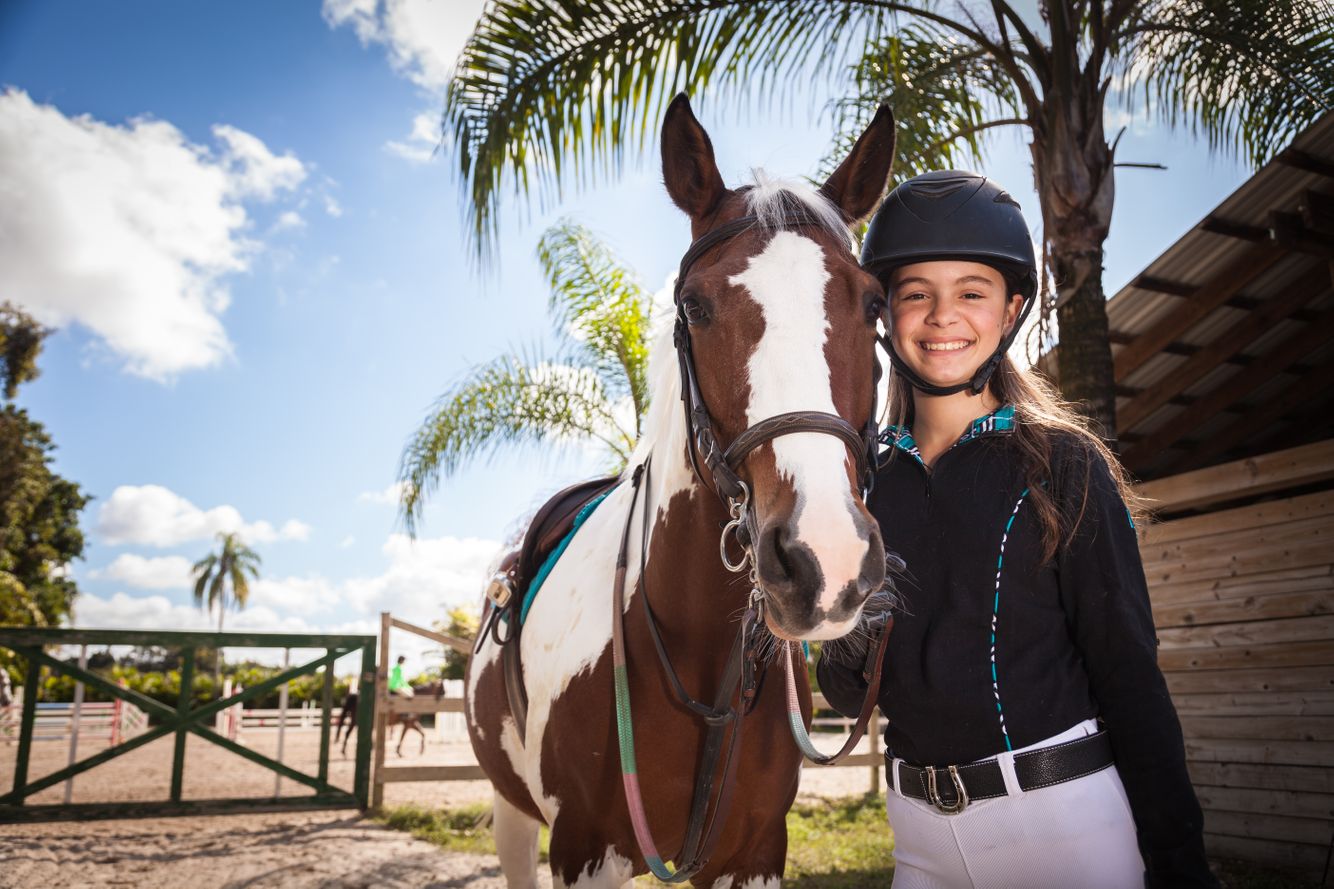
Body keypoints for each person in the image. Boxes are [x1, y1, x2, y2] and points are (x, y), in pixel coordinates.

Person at [817, 170, 1217, 889]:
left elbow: (1130, 678)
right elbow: (849, 693)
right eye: (916, 294)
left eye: (972, 292)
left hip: (1061, 824)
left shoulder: (1065, 466)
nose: (943, 317)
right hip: (919, 841)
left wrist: (1182, 862)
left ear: (1011, 311)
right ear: (884, 315)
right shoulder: (864, 483)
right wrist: (848, 634)